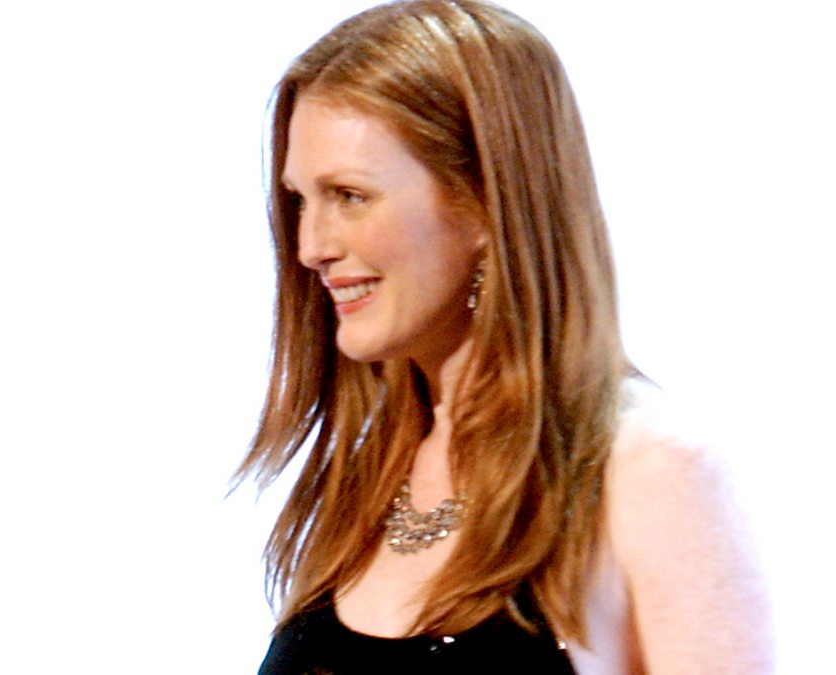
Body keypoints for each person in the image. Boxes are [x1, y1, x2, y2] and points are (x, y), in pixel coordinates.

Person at [234, 1, 773, 672]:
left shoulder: (654, 470)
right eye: (299, 200)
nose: (311, 246)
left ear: (485, 201)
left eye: (350, 195)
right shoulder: (370, 469)